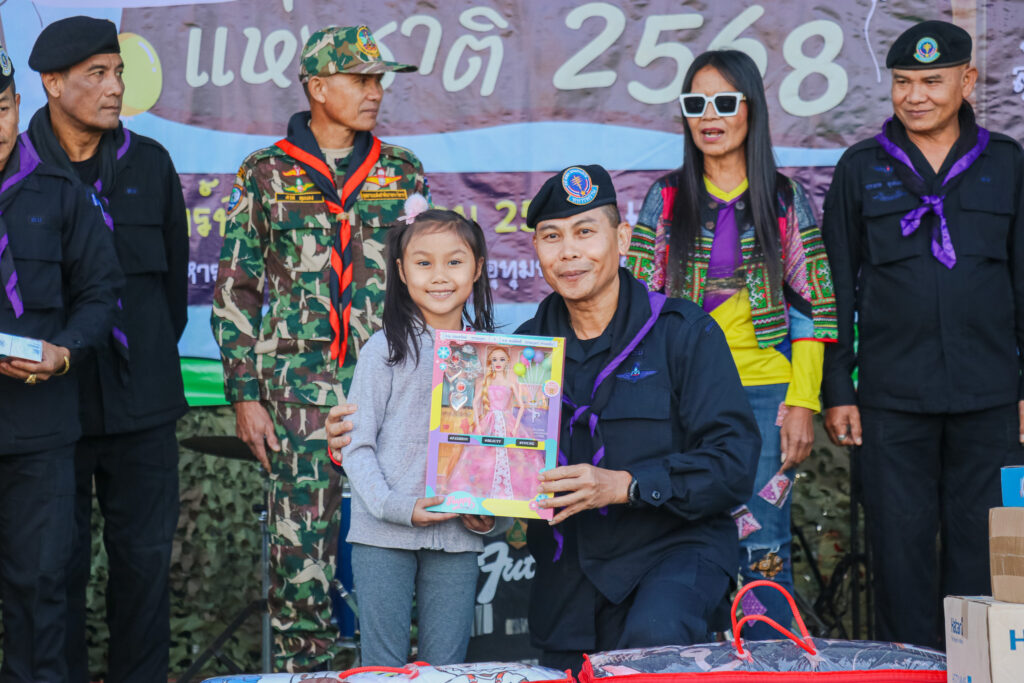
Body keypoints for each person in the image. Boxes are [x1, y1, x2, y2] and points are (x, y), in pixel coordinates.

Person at [329, 164, 761, 674]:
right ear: (536, 249)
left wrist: (624, 485)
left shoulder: (682, 332)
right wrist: (478, 504)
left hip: (672, 551)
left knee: (651, 645)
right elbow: (482, 456)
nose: (569, 251)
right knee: (561, 671)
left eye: (585, 232)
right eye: (552, 236)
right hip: (570, 570)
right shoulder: (519, 352)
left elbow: (734, 463)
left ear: (622, 239)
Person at [211, 25, 428, 671]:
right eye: (360, 79)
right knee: (299, 543)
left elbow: (430, 277)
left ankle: (396, 667)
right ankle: (307, 670)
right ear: (317, 87)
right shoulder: (265, 171)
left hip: (390, 382)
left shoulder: (402, 171)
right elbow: (236, 287)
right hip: (296, 389)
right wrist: (245, 395)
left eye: (379, 79)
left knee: (399, 528)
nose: (375, 91)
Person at [820, 20, 1024, 648]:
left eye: (932, 82)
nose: (915, 96)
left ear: (967, 80)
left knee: (988, 556)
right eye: (903, 82)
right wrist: (838, 388)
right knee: (898, 555)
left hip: (990, 397)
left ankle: (981, 669)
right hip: (891, 400)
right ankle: (906, 671)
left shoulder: (1007, 163)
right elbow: (835, 289)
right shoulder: (860, 168)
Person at [625, 50, 838, 638]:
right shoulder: (667, 197)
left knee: (762, 539)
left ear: (751, 109)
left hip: (766, 395)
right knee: (676, 534)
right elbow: (638, 304)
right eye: (696, 103)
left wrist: (803, 400)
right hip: (681, 396)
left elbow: (813, 307)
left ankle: (766, 659)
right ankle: (682, 661)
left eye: (723, 102)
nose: (709, 116)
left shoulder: (784, 198)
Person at [24, 16, 189, 681]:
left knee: (144, 570)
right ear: (52, 82)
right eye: (96, 74)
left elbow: (172, 293)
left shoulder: (150, 164)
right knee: (50, 573)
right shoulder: (18, 169)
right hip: (48, 410)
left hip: (141, 403)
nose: (115, 86)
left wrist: (141, 362)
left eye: (117, 72)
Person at [0, 46, 122, 683]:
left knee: (40, 586)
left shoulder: (58, 190)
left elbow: (102, 293)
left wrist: (65, 350)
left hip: (40, 430)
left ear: (17, 106)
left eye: (0, 109)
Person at [343, 207, 499, 666]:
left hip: (458, 538)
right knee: (382, 667)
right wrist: (397, 506)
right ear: (401, 271)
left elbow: (500, 453)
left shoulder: (493, 356)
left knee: (447, 666)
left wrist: (489, 519)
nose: (440, 275)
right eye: (424, 262)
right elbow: (356, 444)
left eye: (455, 261)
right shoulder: (382, 350)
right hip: (382, 533)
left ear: (477, 268)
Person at [445, 345, 544, 500]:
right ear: (490, 362)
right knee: (484, 455)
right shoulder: (487, 381)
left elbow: (522, 406)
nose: (498, 363)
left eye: (502, 359)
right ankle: (484, 491)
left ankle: (510, 491)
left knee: (514, 456)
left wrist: (516, 426)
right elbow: (475, 402)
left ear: (507, 362)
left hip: (507, 422)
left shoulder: (510, 383)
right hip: (489, 422)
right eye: (495, 360)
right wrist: (478, 423)